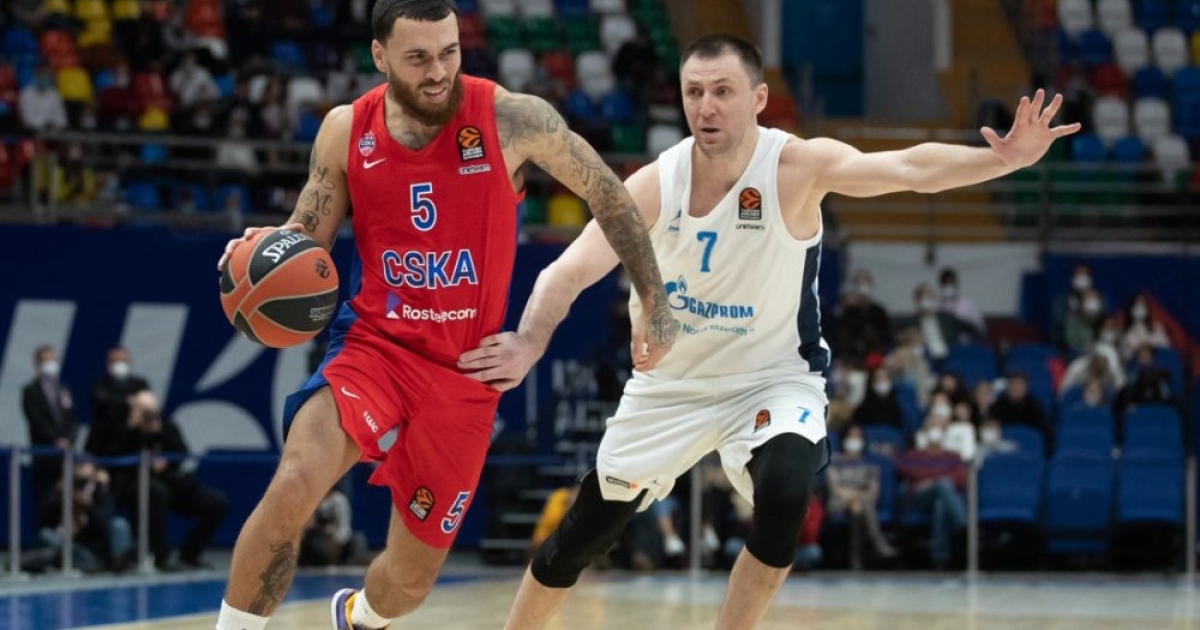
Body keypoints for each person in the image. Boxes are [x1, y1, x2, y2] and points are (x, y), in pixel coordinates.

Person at [457, 34, 1078, 629]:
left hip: (773, 379)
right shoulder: (656, 183)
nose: (706, 106)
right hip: (673, 384)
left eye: (722, 91)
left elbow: (909, 167)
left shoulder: (795, 167)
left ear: (758, 98)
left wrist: (1001, 159)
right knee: (585, 532)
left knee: (784, 494)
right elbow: (566, 272)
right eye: (694, 92)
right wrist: (530, 341)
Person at [212, 3, 674, 630]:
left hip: (465, 373)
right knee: (295, 482)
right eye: (419, 57)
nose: (438, 72)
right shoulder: (346, 130)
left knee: (407, 584)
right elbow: (307, 237)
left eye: (449, 52)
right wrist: (266, 250)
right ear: (380, 56)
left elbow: (609, 194)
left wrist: (653, 299)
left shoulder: (511, 118)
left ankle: (359, 616)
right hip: (373, 348)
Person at [123, 390, 228, 570]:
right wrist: (135, 429)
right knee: (158, 493)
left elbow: (181, 453)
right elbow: (117, 456)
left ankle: (190, 554)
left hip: (172, 483)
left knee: (217, 503)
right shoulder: (127, 430)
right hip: (139, 485)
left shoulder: (166, 427)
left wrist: (159, 433)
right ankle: (162, 557)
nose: (148, 414)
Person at [22, 344, 80, 507]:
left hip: (65, 455)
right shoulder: (30, 391)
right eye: (47, 360)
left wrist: (68, 440)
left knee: (67, 499)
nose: (51, 363)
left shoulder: (64, 389)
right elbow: (36, 420)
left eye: (53, 359)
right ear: (38, 364)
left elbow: (73, 418)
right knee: (45, 499)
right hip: (44, 454)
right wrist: (56, 440)